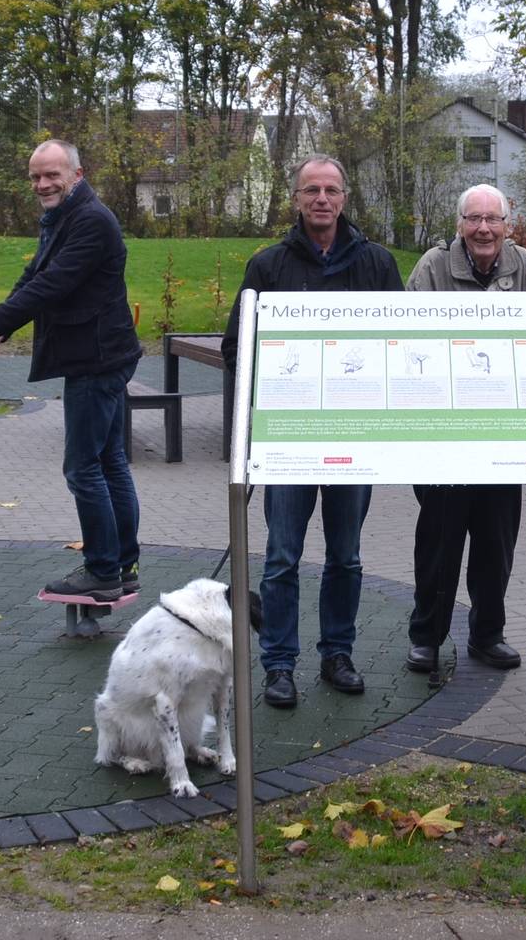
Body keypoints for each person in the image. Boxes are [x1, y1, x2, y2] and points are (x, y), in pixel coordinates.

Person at [221, 154, 401, 709]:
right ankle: (278, 664)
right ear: (296, 199)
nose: (321, 199)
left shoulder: (376, 263)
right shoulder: (268, 267)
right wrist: (249, 435)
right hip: (289, 441)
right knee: (281, 558)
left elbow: (402, 344)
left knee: (346, 556)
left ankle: (336, 654)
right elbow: (237, 350)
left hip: (353, 438)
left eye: (330, 190)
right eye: (310, 190)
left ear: (345, 198)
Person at [0, 140, 144, 600]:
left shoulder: (91, 220)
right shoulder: (66, 215)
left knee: (84, 468)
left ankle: (104, 568)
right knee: (109, 462)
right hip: (102, 354)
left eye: (52, 175)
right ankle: (122, 563)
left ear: (76, 174)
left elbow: (55, 282)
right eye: (36, 177)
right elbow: (36, 273)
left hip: (97, 359)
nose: (42, 184)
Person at [403, 183, 526, 682]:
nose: (484, 228)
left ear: (508, 224)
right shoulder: (433, 268)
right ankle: (426, 637)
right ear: (460, 223)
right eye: (474, 219)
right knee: (439, 543)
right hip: (444, 433)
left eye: (493, 219)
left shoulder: (525, 266)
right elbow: (411, 344)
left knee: (496, 541)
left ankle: (488, 633)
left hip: (504, 433)